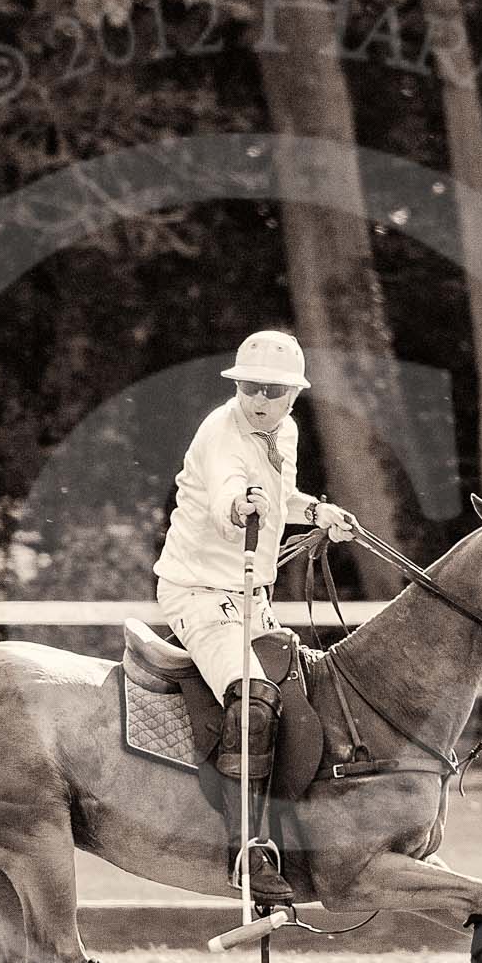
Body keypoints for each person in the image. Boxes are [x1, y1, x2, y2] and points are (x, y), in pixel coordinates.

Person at [154, 331, 357, 905]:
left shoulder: (283, 431)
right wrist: (240, 504)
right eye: (248, 387)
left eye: (271, 390)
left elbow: (281, 496)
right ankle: (246, 851)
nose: (257, 399)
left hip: (250, 596)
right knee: (255, 699)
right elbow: (227, 494)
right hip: (198, 591)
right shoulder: (222, 429)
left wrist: (318, 511)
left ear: (293, 396)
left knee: (303, 695)